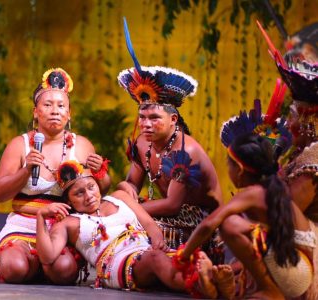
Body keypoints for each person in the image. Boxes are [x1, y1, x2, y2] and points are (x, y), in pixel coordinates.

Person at [115, 19, 222, 260]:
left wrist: (128, 208)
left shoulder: (186, 151)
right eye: (142, 117)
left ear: (173, 120)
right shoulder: (142, 143)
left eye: (154, 118)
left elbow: (173, 205)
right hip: (168, 214)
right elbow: (132, 182)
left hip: (200, 222)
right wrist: (125, 193)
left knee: (129, 222)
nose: (146, 124)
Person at [0, 68, 111, 284]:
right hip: (24, 223)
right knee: (14, 269)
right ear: (35, 112)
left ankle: (41, 265)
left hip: (61, 228)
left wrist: (101, 173)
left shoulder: (82, 145)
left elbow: (98, 192)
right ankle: (32, 263)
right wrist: (25, 170)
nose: (55, 110)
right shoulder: (20, 145)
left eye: (61, 105)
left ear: (69, 113)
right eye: (47, 105)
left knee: (64, 271)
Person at [179, 133, 315, 299]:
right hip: (297, 270)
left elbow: (209, 224)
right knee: (243, 227)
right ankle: (228, 286)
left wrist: (183, 257)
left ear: (240, 169)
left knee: (229, 224)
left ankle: (269, 290)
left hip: (295, 272)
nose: (228, 170)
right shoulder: (272, 188)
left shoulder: (255, 192)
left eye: (229, 165)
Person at [35, 160, 190, 293]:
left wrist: (158, 241)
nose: (89, 196)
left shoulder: (119, 197)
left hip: (148, 250)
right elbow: (47, 257)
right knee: (157, 260)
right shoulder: (69, 222)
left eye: (91, 187)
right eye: (79, 193)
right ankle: (195, 286)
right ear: (69, 201)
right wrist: (41, 216)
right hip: (117, 264)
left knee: (185, 259)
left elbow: (148, 223)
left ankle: (205, 282)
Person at [258, 21, 318, 299]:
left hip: (309, 250)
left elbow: (286, 209)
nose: (287, 122)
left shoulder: (313, 157)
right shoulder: (298, 152)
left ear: (307, 121)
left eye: (292, 114)